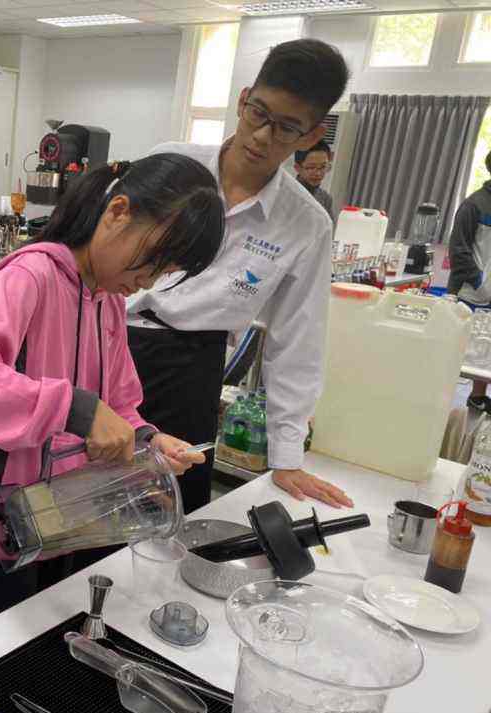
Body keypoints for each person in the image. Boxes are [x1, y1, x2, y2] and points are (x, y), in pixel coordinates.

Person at [0, 155, 226, 640]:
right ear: (118, 212)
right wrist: (75, 409)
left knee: (31, 649)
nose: (148, 282)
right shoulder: (31, 276)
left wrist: (148, 440)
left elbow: (120, 403)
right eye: (152, 261)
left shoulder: (109, 300)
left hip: (57, 520)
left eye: (165, 273)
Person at [127, 39, 355, 513]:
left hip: (191, 370)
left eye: (286, 128)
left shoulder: (306, 224)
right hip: (110, 343)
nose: (262, 137)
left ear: (311, 135)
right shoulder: (172, 165)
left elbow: (298, 341)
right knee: (82, 498)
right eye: (258, 114)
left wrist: (286, 456)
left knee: (167, 513)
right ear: (243, 99)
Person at [448, 150, 491, 411]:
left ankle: (477, 397)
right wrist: (479, 283)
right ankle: (440, 399)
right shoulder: (473, 205)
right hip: (470, 293)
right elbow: (458, 250)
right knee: (461, 350)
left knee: (486, 350)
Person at [294, 140, 334, 220]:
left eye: (323, 167)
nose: (318, 173)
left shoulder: (325, 198)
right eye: (311, 167)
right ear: (297, 168)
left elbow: (329, 226)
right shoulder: (286, 193)